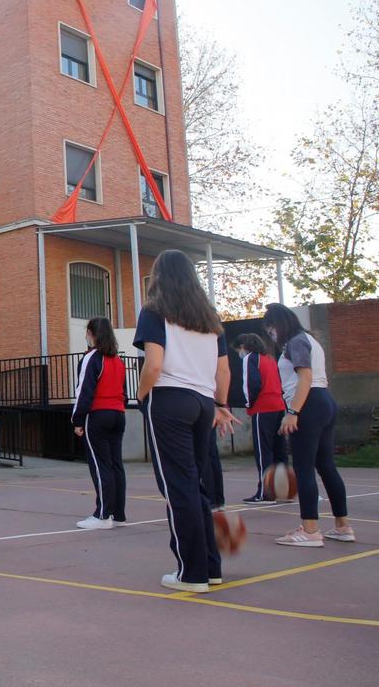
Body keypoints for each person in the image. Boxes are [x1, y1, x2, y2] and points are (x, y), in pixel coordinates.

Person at [134, 250, 238, 593]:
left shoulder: (154, 312)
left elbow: (153, 364)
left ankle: (190, 573)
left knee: (178, 486)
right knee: (196, 484)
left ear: (159, 277)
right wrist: (221, 404)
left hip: (169, 399)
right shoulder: (209, 318)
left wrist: (141, 395)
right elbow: (223, 369)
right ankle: (210, 567)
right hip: (203, 402)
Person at [262, 303, 354, 546]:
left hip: (308, 403)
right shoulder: (311, 340)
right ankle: (342, 526)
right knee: (326, 466)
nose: (270, 333)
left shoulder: (295, 342)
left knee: (304, 468)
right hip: (323, 401)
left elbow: (305, 376)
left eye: (270, 328)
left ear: (278, 325)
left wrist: (293, 412)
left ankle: (310, 529)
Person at [72, 317, 127, 529]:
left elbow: (84, 391)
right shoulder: (118, 361)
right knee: (115, 465)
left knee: (100, 465)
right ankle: (119, 514)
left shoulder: (91, 358)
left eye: (87, 332)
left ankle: (103, 515)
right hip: (118, 415)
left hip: (98, 416)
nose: (86, 336)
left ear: (93, 334)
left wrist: (77, 420)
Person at [236, 333, 288, 505]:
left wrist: (249, 404)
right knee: (279, 451)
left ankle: (265, 493)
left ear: (244, 346)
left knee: (263, 451)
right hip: (279, 406)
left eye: (239, 349)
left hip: (263, 407)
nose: (239, 353)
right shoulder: (270, 359)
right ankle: (284, 490)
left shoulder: (251, 358)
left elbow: (251, 383)